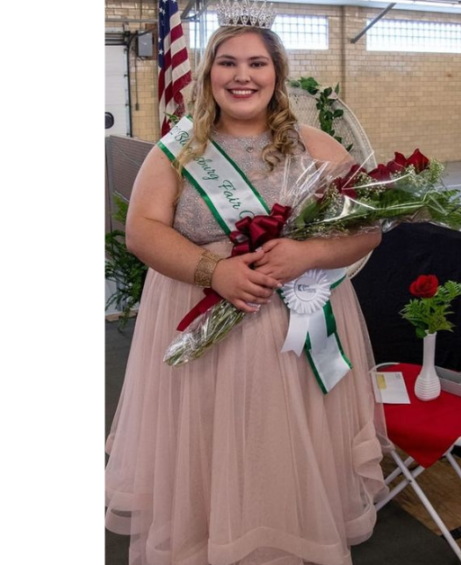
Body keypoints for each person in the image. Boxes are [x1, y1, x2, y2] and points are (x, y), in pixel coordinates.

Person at [104, 15, 390, 565]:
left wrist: (306, 253)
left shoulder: (315, 145)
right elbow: (142, 231)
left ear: (276, 73)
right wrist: (215, 270)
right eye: (228, 63)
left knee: (288, 443)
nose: (243, 76)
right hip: (204, 320)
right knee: (209, 441)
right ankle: (210, 534)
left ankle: (291, 531)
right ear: (208, 73)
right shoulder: (177, 151)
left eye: (257, 63)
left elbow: (368, 228)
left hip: (297, 329)